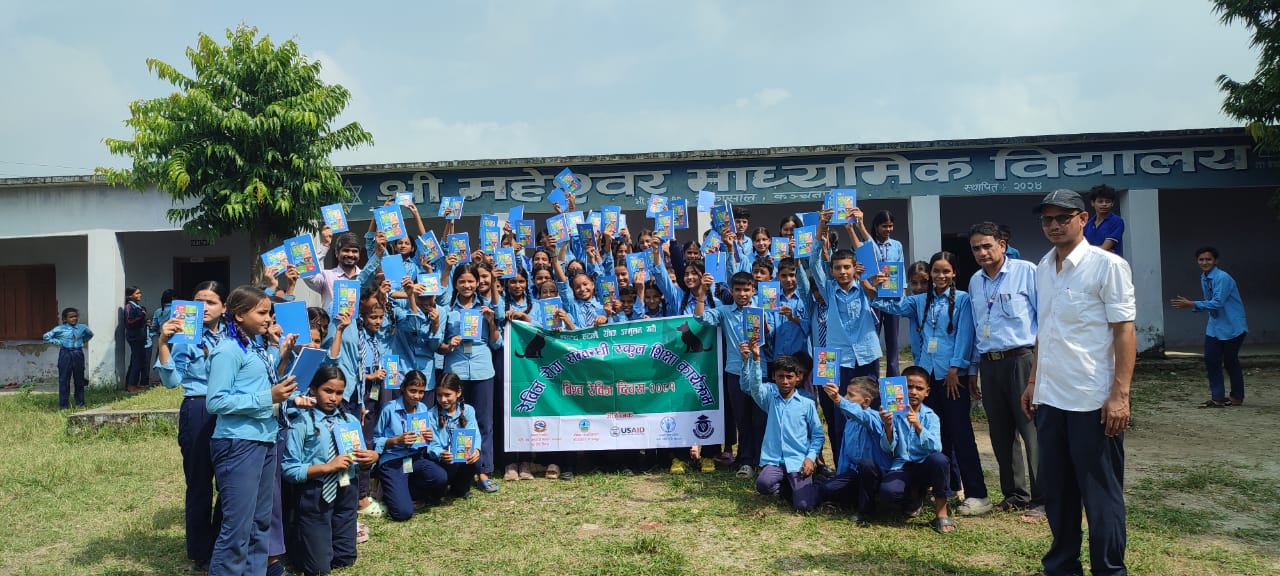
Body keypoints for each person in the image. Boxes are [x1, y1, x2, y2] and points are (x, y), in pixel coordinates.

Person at [1023, 188, 1135, 576]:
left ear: (1083, 219)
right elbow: (1045, 329)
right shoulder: (1042, 267)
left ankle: (1109, 570)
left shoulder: (1107, 266)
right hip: (1051, 398)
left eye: (1063, 218)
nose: (1054, 225)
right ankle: (1062, 566)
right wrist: (1033, 380)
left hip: (1092, 400)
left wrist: (1120, 394)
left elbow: (1124, 330)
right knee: (1058, 492)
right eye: (1047, 219)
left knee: (1100, 495)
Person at [872, 251, 990, 516]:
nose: (940, 276)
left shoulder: (962, 299)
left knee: (961, 434)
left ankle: (977, 493)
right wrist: (879, 286)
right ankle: (945, 488)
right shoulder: (919, 301)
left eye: (946, 271)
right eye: (936, 271)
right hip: (927, 378)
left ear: (954, 273)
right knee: (937, 435)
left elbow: (965, 336)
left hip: (952, 377)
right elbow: (890, 306)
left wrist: (955, 368)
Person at [206, 286, 298, 575]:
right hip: (239, 443)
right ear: (239, 315)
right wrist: (267, 397)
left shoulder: (255, 348)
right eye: (262, 312)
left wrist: (283, 358)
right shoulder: (228, 350)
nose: (268, 318)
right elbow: (216, 401)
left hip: (265, 438)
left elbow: (261, 384)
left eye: (269, 312)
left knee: (260, 524)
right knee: (237, 528)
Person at [967, 221, 1042, 519]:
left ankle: (1043, 498)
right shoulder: (975, 281)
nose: (982, 252)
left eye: (987, 246)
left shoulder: (1027, 271)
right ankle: (1015, 494)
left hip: (1022, 359)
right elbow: (977, 327)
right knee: (1000, 432)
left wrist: (1039, 367)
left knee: (1031, 429)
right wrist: (973, 369)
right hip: (990, 363)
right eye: (976, 248)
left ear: (1002, 244)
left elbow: (1044, 321)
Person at [154, 281, 228, 569]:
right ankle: (200, 551)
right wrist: (163, 343)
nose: (204, 307)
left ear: (224, 307)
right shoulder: (186, 337)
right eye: (199, 301)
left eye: (211, 302)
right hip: (199, 407)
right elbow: (172, 381)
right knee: (199, 482)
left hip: (231, 410)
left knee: (229, 481)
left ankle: (221, 542)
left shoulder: (234, 335)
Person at [282, 366, 377, 576]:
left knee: (345, 560)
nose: (334, 398)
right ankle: (293, 539)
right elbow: (289, 469)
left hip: (346, 488)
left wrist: (370, 459)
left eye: (339, 393)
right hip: (315, 491)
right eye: (328, 391)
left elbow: (361, 461)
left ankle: (325, 538)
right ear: (313, 390)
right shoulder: (302, 422)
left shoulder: (350, 421)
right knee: (318, 569)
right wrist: (327, 467)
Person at [739, 340, 824, 512]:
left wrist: (810, 458)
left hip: (798, 460)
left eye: (789, 377)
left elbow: (818, 435)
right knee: (763, 484)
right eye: (780, 376)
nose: (785, 381)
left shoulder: (806, 403)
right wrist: (756, 360)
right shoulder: (770, 398)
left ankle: (815, 488)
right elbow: (754, 388)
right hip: (774, 460)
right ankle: (788, 487)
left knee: (803, 506)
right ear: (773, 377)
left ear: (797, 378)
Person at [878, 365, 956, 534]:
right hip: (901, 466)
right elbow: (887, 448)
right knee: (888, 494)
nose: (913, 392)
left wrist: (918, 426)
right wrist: (888, 425)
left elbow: (936, 447)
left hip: (924, 466)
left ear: (927, 392)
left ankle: (941, 513)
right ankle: (914, 496)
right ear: (900, 389)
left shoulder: (930, 416)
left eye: (919, 388)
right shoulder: (893, 414)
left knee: (940, 460)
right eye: (909, 387)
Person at [1170, 246, 1248, 407]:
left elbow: (1217, 302)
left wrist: (1192, 304)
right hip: (1215, 325)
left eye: (1208, 259)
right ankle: (1217, 398)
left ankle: (1237, 396)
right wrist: (1194, 306)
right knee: (1211, 360)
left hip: (1233, 326)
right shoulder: (1204, 277)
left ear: (1215, 261)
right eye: (1201, 259)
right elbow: (1210, 302)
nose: (1204, 262)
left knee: (1230, 362)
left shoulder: (1222, 277)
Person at [818, 376, 891, 522]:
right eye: (845, 394)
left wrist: (838, 399)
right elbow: (846, 455)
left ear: (866, 401)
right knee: (827, 489)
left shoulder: (874, 418)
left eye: (850, 395)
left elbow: (861, 415)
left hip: (876, 474)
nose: (846, 397)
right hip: (855, 474)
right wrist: (841, 476)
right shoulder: (850, 422)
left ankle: (866, 511)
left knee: (866, 465)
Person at [373, 370, 441, 521]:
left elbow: (426, 439)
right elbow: (375, 440)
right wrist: (395, 441)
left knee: (440, 478)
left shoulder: (422, 408)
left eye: (421, 392)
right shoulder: (389, 409)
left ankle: (405, 489)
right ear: (403, 388)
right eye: (413, 391)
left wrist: (429, 437)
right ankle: (389, 487)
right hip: (393, 460)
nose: (417, 396)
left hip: (414, 458)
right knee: (403, 513)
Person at [861, 210, 906, 377]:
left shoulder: (897, 245)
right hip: (873, 297)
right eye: (884, 226)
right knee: (872, 339)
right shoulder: (866, 245)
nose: (888, 229)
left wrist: (903, 292)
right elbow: (863, 270)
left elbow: (901, 268)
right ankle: (872, 378)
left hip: (893, 297)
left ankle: (893, 378)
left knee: (892, 340)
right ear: (876, 226)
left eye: (890, 226)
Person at [424, 372, 482, 499]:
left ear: (458, 392)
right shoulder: (430, 415)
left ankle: (460, 488)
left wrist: (476, 450)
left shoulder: (468, 410)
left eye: (447, 395)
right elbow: (432, 444)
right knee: (444, 471)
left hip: (461, 458)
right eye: (439, 395)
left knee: (475, 459)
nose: (443, 399)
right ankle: (441, 488)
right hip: (442, 461)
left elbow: (475, 434)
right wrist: (441, 453)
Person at [302, 232, 382, 310]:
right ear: (336, 253)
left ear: (359, 254)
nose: (350, 255)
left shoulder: (367, 277)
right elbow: (307, 274)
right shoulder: (326, 276)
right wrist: (325, 246)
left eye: (354, 251)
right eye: (346, 250)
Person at [43, 307, 94, 409]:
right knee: (64, 380)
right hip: (65, 353)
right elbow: (46, 336)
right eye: (71, 317)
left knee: (79, 379)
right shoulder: (60, 329)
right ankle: (63, 405)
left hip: (78, 353)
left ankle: (80, 403)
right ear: (65, 319)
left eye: (75, 316)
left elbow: (90, 334)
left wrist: (82, 341)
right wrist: (58, 342)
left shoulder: (82, 327)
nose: (74, 318)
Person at [1083, 184, 1125, 256]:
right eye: (1100, 201)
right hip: (1091, 262)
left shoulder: (1116, 221)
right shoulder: (1087, 224)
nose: (1104, 204)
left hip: (1109, 262)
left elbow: (1104, 248)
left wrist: (1088, 251)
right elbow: (1081, 248)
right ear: (1092, 203)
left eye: (1107, 201)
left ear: (1112, 203)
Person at [123, 285, 149, 393]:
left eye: (140, 293)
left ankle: (130, 383)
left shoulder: (136, 306)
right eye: (137, 293)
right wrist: (142, 316)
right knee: (137, 361)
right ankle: (131, 385)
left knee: (136, 360)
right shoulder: (129, 306)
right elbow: (130, 321)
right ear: (130, 296)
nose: (140, 295)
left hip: (139, 336)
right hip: (135, 337)